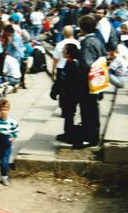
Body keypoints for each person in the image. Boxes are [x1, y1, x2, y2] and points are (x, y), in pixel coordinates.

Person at [76, 14, 107, 148]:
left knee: (87, 109)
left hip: (87, 82)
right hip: (98, 79)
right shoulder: (97, 40)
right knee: (93, 108)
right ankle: (93, 135)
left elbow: (86, 64)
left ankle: (89, 138)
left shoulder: (86, 42)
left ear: (82, 28)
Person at [51, 43, 81, 145]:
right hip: (69, 94)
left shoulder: (72, 64)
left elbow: (65, 80)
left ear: (68, 54)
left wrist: (56, 90)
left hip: (70, 94)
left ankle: (69, 134)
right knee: (68, 114)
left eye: (64, 51)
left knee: (69, 114)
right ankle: (67, 132)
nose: (62, 52)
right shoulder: (71, 63)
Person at [0, 99, 19, 186]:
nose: (3, 112)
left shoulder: (12, 122)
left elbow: (16, 130)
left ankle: (4, 177)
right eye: (1, 110)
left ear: (8, 110)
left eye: (5, 110)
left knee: (4, 160)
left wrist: (13, 137)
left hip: (7, 142)